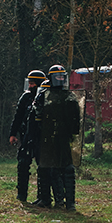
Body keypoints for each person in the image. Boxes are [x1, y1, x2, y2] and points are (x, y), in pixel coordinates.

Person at [32, 64, 80, 211]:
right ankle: (52, 200)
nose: (60, 79)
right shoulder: (43, 96)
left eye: (62, 76)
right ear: (51, 78)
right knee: (49, 169)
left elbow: (75, 122)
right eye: (57, 77)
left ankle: (70, 203)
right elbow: (36, 117)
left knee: (68, 171)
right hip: (47, 140)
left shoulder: (70, 97)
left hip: (64, 140)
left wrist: (72, 135)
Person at [8, 69, 46, 202]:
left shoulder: (46, 97)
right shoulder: (25, 97)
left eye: (32, 83)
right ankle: (21, 194)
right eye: (29, 83)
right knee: (23, 164)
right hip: (26, 136)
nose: (30, 86)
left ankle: (42, 197)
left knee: (43, 167)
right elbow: (17, 117)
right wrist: (13, 134)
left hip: (41, 137)